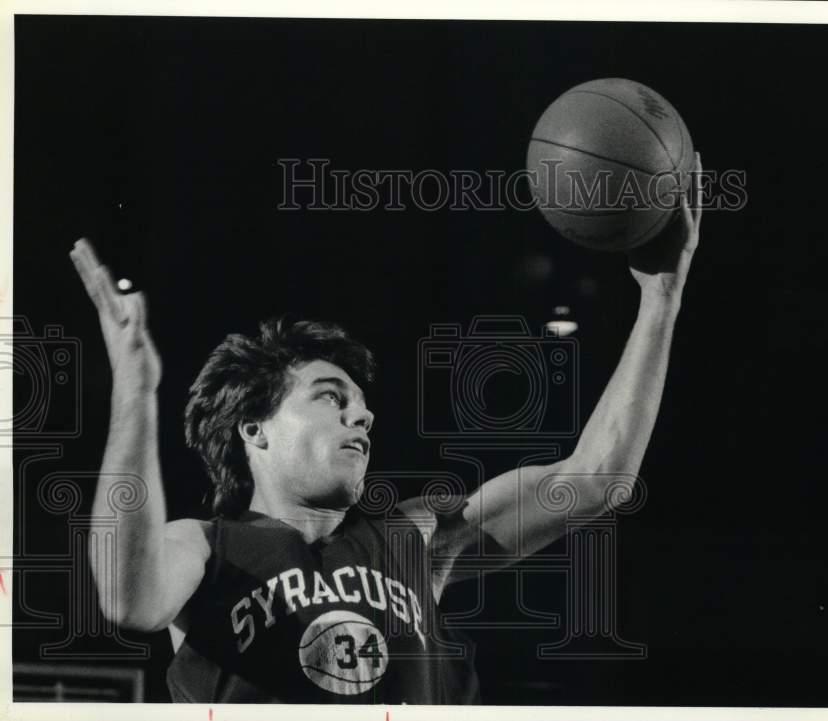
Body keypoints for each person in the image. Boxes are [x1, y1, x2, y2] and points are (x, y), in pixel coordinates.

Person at [69, 157, 702, 704]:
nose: (363, 415)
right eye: (330, 396)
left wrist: (661, 299)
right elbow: (131, 600)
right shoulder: (206, 548)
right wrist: (136, 388)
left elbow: (594, 481)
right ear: (254, 429)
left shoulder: (416, 537)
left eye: (363, 403)